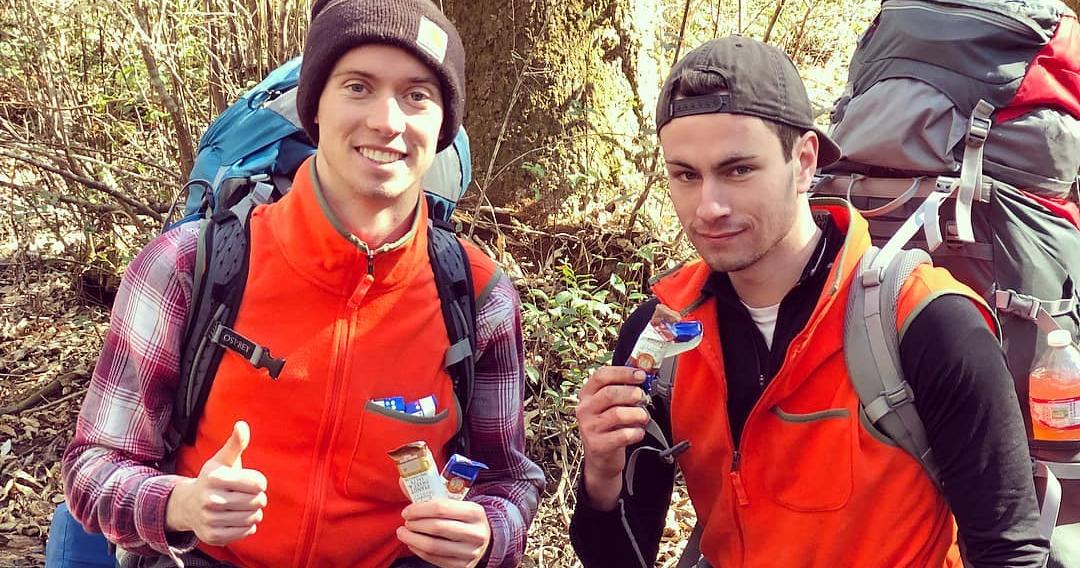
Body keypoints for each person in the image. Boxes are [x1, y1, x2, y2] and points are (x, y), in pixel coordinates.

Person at [61, 1, 544, 566]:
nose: (388, 121)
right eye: (358, 87)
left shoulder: (478, 296)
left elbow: (509, 479)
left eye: (417, 95)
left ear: (444, 127)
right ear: (315, 104)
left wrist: (488, 534)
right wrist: (179, 505)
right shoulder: (188, 266)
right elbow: (94, 467)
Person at [570, 36, 1049, 567]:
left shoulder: (927, 324)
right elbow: (618, 557)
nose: (708, 206)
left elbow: (1009, 551)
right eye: (686, 174)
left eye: (738, 170)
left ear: (803, 161)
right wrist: (602, 476)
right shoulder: (662, 333)